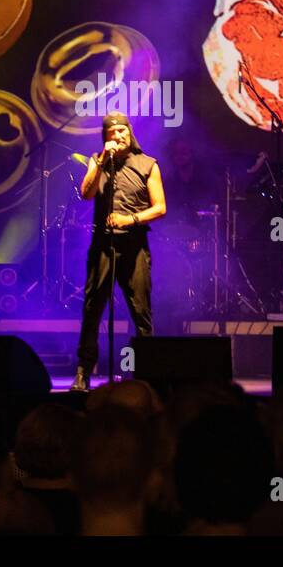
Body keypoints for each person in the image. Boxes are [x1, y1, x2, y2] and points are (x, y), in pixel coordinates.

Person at [71, 112, 166, 392]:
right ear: (105, 136)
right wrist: (100, 160)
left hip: (135, 246)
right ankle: (83, 373)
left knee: (141, 312)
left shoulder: (148, 164)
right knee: (92, 308)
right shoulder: (97, 161)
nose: (118, 136)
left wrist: (130, 219)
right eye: (112, 133)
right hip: (102, 245)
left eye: (122, 131)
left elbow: (160, 207)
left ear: (130, 132)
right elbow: (86, 193)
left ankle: (147, 374)